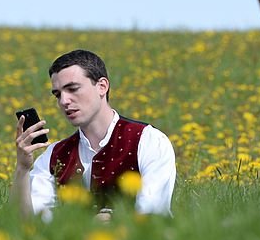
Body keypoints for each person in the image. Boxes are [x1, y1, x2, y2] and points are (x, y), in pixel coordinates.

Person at [11, 50, 176, 220]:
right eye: (58, 94)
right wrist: (22, 169)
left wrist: (113, 221)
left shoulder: (149, 141)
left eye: (73, 89)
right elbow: (30, 222)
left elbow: (152, 213)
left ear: (102, 86)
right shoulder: (53, 155)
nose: (64, 101)